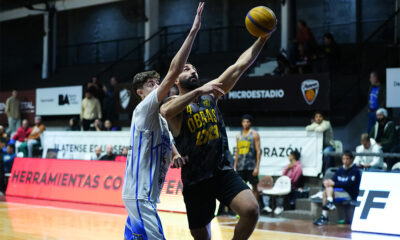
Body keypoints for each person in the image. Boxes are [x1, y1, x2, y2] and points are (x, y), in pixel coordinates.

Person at [161, 30, 273, 240]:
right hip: (195, 180)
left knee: (250, 210)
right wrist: (199, 90)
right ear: (176, 80)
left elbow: (239, 65)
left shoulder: (210, 96)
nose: (193, 71)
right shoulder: (171, 103)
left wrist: (262, 39)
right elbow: (166, 112)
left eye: (194, 69)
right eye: (186, 69)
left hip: (222, 171)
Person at [122, 3, 204, 240]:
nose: (157, 86)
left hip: (144, 195)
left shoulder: (158, 116)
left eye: (157, 83)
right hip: (140, 196)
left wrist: (176, 154)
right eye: (151, 84)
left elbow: (166, 136)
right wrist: (193, 31)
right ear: (140, 93)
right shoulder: (144, 108)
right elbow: (174, 70)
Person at [314, 151, 361, 226]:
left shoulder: (355, 171)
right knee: (327, 189)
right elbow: (333, 180)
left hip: (349, 194)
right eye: (343, 159)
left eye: (347, 159)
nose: (345, 161)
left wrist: (334, 184)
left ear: (352, 159)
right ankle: (330, 203)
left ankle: (324, 216)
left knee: (327, 191)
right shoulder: (340, 170)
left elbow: (349, 185)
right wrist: (326, 182)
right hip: (339, 193)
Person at [262, 150, 303, 215]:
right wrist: (287, 169)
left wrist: (286, 180)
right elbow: (283, 176)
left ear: (293, 156)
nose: (289, 157)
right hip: (282, 183)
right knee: (266, 187)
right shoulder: (288, 166)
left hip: (292, 186)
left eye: (290, 155)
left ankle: (279, 206)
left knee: (280, 191)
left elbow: (294, 180)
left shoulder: (298, 167)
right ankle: (266, 207)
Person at [234, 114, 261, 202]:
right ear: (241, 123)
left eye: (247, 122)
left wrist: (257, 167)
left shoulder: (254, 134)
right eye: (244, 121)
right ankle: (242, 209)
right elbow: (237, 151)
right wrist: (235, 166)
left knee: (254, 187)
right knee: (240, 188)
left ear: (250, 123)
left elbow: (258, 151)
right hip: (240, 166)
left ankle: (256, 209)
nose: (245, 123)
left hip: (251, 166)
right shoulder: (238, 136)